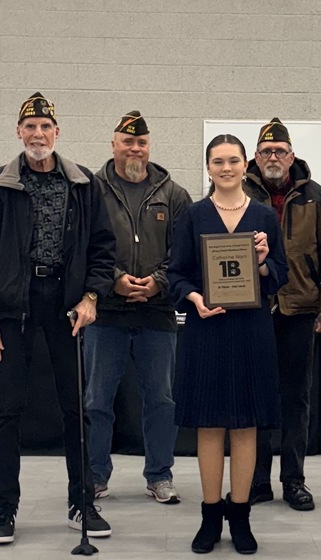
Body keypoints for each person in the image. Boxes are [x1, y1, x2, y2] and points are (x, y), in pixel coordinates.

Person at [0, 92, 117, 545]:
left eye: (45, 127)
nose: (37, 135)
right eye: (29, 127)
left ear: (57, 132)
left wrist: (91, 296)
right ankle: (4, 508)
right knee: (8, 410)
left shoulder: (84, 183)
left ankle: (81, 500)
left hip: (66, 305)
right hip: (14, 307)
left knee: (76, 409)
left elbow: (104, 251)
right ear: (18, 133)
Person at [168, 134, 288, 555]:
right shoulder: (193, 215)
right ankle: (209, 515)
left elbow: (281, 273)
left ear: (245, 165)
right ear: (208, 167)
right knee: (209, 424)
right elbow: (176, 274)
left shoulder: (263, 217)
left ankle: (240, 517)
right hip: (206, 330)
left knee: (245, 424)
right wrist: (195, 298)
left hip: (251, 331)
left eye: (233, 160)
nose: (226, 167)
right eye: (218, 161)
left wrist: (261, 260)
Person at [86, 111, 192, 504]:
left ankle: (159, 475)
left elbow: (183, 252)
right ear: (113, 144)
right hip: (105, 314)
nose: (135, 148)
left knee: (161, 400)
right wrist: (113, 278)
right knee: (97, 400)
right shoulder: (91, 190)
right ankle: (94, 476)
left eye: (141, 142)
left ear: (149, 147)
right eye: (127, 141)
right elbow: (83, 246)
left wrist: (157, 284)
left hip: (157, 313)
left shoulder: (174, 194)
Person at [243, 118, 321, 512]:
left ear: (292, 157)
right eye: (267, 151)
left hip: (299, 310)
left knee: (296, 399)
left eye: (280, 151)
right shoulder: (240, 192)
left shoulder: (315, 197)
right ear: (256, 157)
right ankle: (256, 480)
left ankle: (294, 480)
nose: (273, 157)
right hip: (251, 311)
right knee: (255, 396)